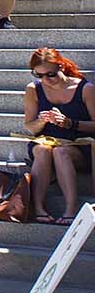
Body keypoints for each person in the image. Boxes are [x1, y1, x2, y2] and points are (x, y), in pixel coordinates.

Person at [23, 47, 95, 224]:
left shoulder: (84, 88)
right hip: (46, 141)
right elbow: (30, 126)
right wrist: (41, 121)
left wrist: (70, 123)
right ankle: (38, 208)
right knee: (43, 150)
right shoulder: (34, 89)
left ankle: (71, 209)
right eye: (39, 75)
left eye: (50, 74)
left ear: (61, 66)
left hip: (78, 144)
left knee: (60, 152)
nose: (46, 80)